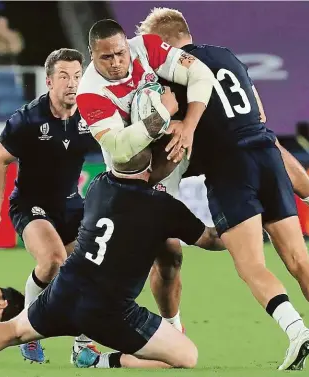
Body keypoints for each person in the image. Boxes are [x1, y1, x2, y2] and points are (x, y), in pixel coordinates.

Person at [136, 7, 309, 370]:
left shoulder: (173, 71)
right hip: (265, 153)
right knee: (299, 260)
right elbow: (260, 114)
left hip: (229, 165)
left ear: (165, 42)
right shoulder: (227, 56)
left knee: (251, 266)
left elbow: (173, 130)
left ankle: (297, 332)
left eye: (152, 47)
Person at [0, 148, 225, 370]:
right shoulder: (165, 207)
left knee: (12, 331)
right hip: (110, 309)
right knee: (186, 356)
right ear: (151, 167)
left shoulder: (99, 187)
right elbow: (211, 240)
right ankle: (100, 362)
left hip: (65, 290)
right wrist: (249, 223)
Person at [75, 19, 216, 337]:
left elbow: (201, 74)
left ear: (128, 44)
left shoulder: (147, 47)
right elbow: (119, 146)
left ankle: (171, 328)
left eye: (120, 53)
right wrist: (164, 114)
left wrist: (188, 125)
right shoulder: (90, 93)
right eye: (105, 57)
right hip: (133, 177)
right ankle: (83, 330)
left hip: (173, 153)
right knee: (144, 257)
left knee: (171, 257)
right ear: (92, 55)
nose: (116, 62)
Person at [0, 48, 98, 363]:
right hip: (31, 205)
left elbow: (119, 150)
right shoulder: (27, 119)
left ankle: (83, 345)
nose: (72, 83)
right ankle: (27, 333)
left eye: (76, 76)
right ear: (49, 81)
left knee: (92, 266)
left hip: (72, 205)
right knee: (53, 261)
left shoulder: (92, 115)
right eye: (64, 76)